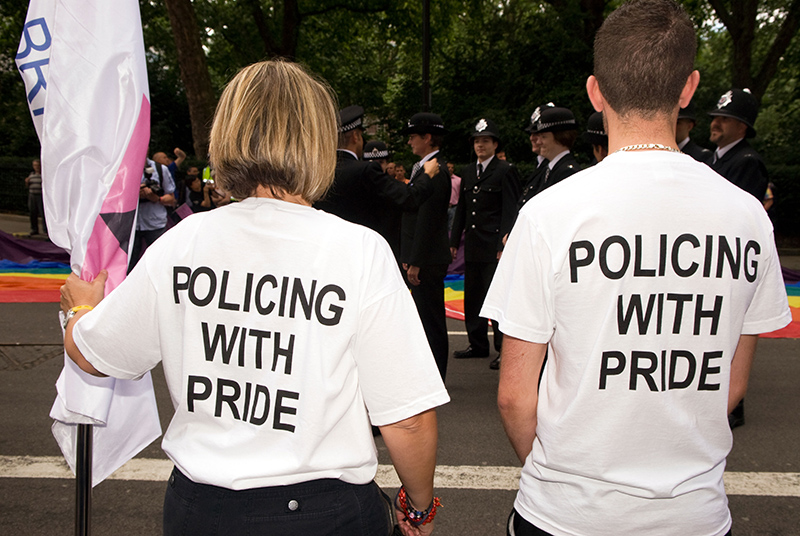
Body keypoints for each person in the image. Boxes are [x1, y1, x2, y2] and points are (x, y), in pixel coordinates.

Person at [60, 60, 448, 536]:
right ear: (316, 139)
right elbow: (407, 417)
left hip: (202, 510)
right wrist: (419, 506)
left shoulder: (185, 240)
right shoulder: (358, 250)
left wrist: (80, 307)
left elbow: (95, 354)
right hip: (324, 512)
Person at [481, 1, 791, 535]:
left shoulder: (551, 213)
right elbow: (732, 385)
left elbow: (514, 394)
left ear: (596, 91)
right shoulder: (746, 215)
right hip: (693, 515)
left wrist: (556, 477)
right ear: (688, 88)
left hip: (564, 513)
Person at [314, 105, 440, 260]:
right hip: (364, 253)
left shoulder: (319, 171)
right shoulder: (366, 171)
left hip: (328, 253)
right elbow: (408, 197)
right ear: (355, 136)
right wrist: (427, 174)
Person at [450, 118, 520, 370]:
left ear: (495, 144)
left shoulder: (505, 170)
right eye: (477, 141)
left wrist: (505, 242)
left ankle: (502, 349)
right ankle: (477, 343)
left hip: (494, 247)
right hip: (473, 245)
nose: (481, 145)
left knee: (498, 298)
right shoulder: (468, 171)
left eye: (486, 141)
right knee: (474, 297)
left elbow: (510, 208)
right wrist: (454, 239)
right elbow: (463, 210)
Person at [401, 112, 452, 381]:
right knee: (424, 318)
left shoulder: (436, 170)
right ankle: (429, 374)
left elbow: (428, 220)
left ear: (427, 138)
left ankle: (435, 377)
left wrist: (416, 260)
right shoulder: (426, 168)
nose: (410, 142)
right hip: (424, 256)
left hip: (428, 259)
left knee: (431, 320)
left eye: (413, 136)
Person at [708, 88, 768, 201]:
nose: (715, 123)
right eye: (714, 118)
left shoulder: (747, 163)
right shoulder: (712, 160)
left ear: (741, 127)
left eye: (724, 119)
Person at [128, 155, 176, 272]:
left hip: (155, 222)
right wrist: (134, 193)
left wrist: (156, 198)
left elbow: (172, 198)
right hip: (131, 223)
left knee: (160, 259)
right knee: (130, 263)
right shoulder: (125, 168)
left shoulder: (160, 169)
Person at [517, 104, 554, 209]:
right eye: (531, 133)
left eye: (538, 133)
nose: (532, 138)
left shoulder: (553, 168)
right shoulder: (540, 165)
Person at [25, 158, 47, 236]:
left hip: (40, 195)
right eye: (35, 165)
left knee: (43, 213)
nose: (36, 167)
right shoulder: (31, 174)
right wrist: (27, 182)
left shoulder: (43, 175)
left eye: (37, 165)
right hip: (32, 195)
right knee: (32, 212)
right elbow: (27, 186)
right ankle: (34, 229)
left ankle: (45, 230)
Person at [446, 162, 461, 232]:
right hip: (443, 207)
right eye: (449, 167)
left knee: (452, 228)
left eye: (452, 167)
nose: (450, 169)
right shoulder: (441, 179)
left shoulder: (459, 180)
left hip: (454, 207)